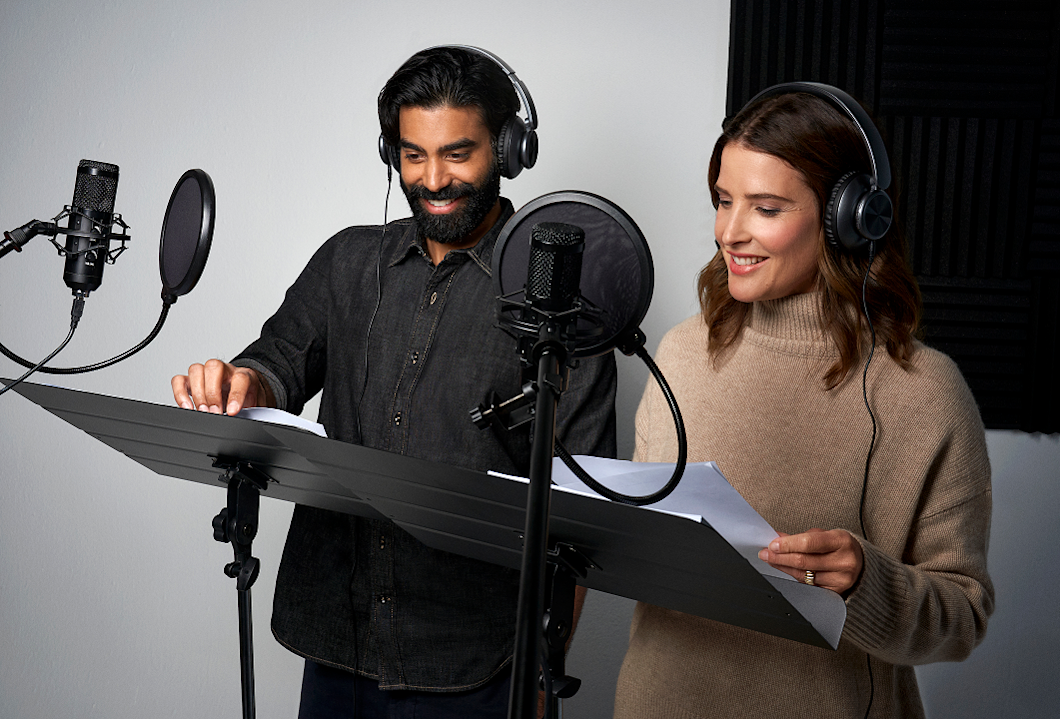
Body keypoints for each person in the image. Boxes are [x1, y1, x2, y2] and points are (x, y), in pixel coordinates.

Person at [171, 46, 617, 717]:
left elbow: (581, 513)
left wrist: (540, 676)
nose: (434, 179)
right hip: (335, 640)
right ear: (391, 153)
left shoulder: (560, 304)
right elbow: (281, 360)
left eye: (457, 154)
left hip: (476, 662)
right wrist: (240, 383)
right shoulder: (348, 260)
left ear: (508, 149)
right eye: (413, 155)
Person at [612, 85, 993, 718]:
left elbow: (963, 616)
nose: (729, 232)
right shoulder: (679, 353)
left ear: (850, 219)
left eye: (765, 208)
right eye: (723, 201)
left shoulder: (924, 393)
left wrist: (870, 584)